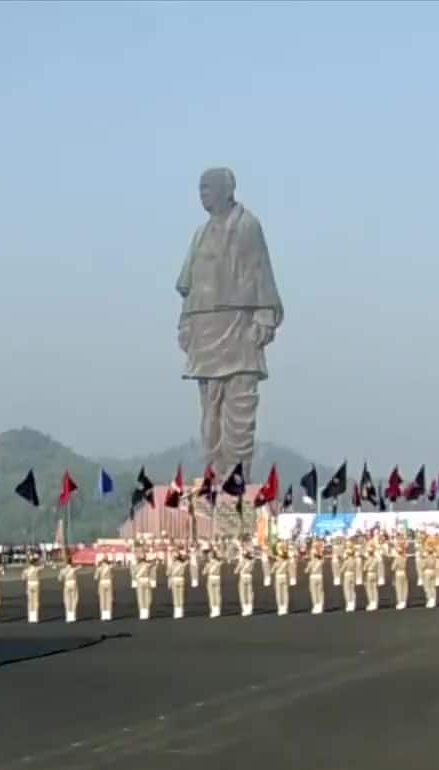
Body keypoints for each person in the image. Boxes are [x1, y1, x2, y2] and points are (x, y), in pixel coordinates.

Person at [176, 167, 283, 478]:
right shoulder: (200, 233)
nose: (203, 193)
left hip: (238, 328)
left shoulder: (247, 226)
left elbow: (262, 275)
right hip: (204, 331)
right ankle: (213, 476)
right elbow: (188, 287)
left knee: (238, 412)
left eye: (208, 187)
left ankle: (236, 480)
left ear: (228, 189)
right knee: (210, 415)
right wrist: (185, 324)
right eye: (200, 188)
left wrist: (263, 319)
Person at [235, 543, 257, 616]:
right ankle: (250, 608)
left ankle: (245, 608)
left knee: (243, 593)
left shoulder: (242, 562)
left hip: (243, 577)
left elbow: (236, 571)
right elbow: (253, 557)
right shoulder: (252, 562)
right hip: (249, 577)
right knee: (249, 592)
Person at [61, 552, 81, 623]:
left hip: (67, 584)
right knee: (74, 599)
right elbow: (79, 567)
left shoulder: (63, 570)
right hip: (73, 584)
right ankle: (73, 617)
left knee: (67, 600)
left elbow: (60, 578)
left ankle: (68, 617)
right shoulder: (73, 569)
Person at [96, 553, 116, 622]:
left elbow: (95, 577)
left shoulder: (99, 568)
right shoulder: (110, 567)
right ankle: (108, 616)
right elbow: (113, 576)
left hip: (102, 583)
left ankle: (103, 616)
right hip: (109, 583)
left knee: (102, 600)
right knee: (109, 599)